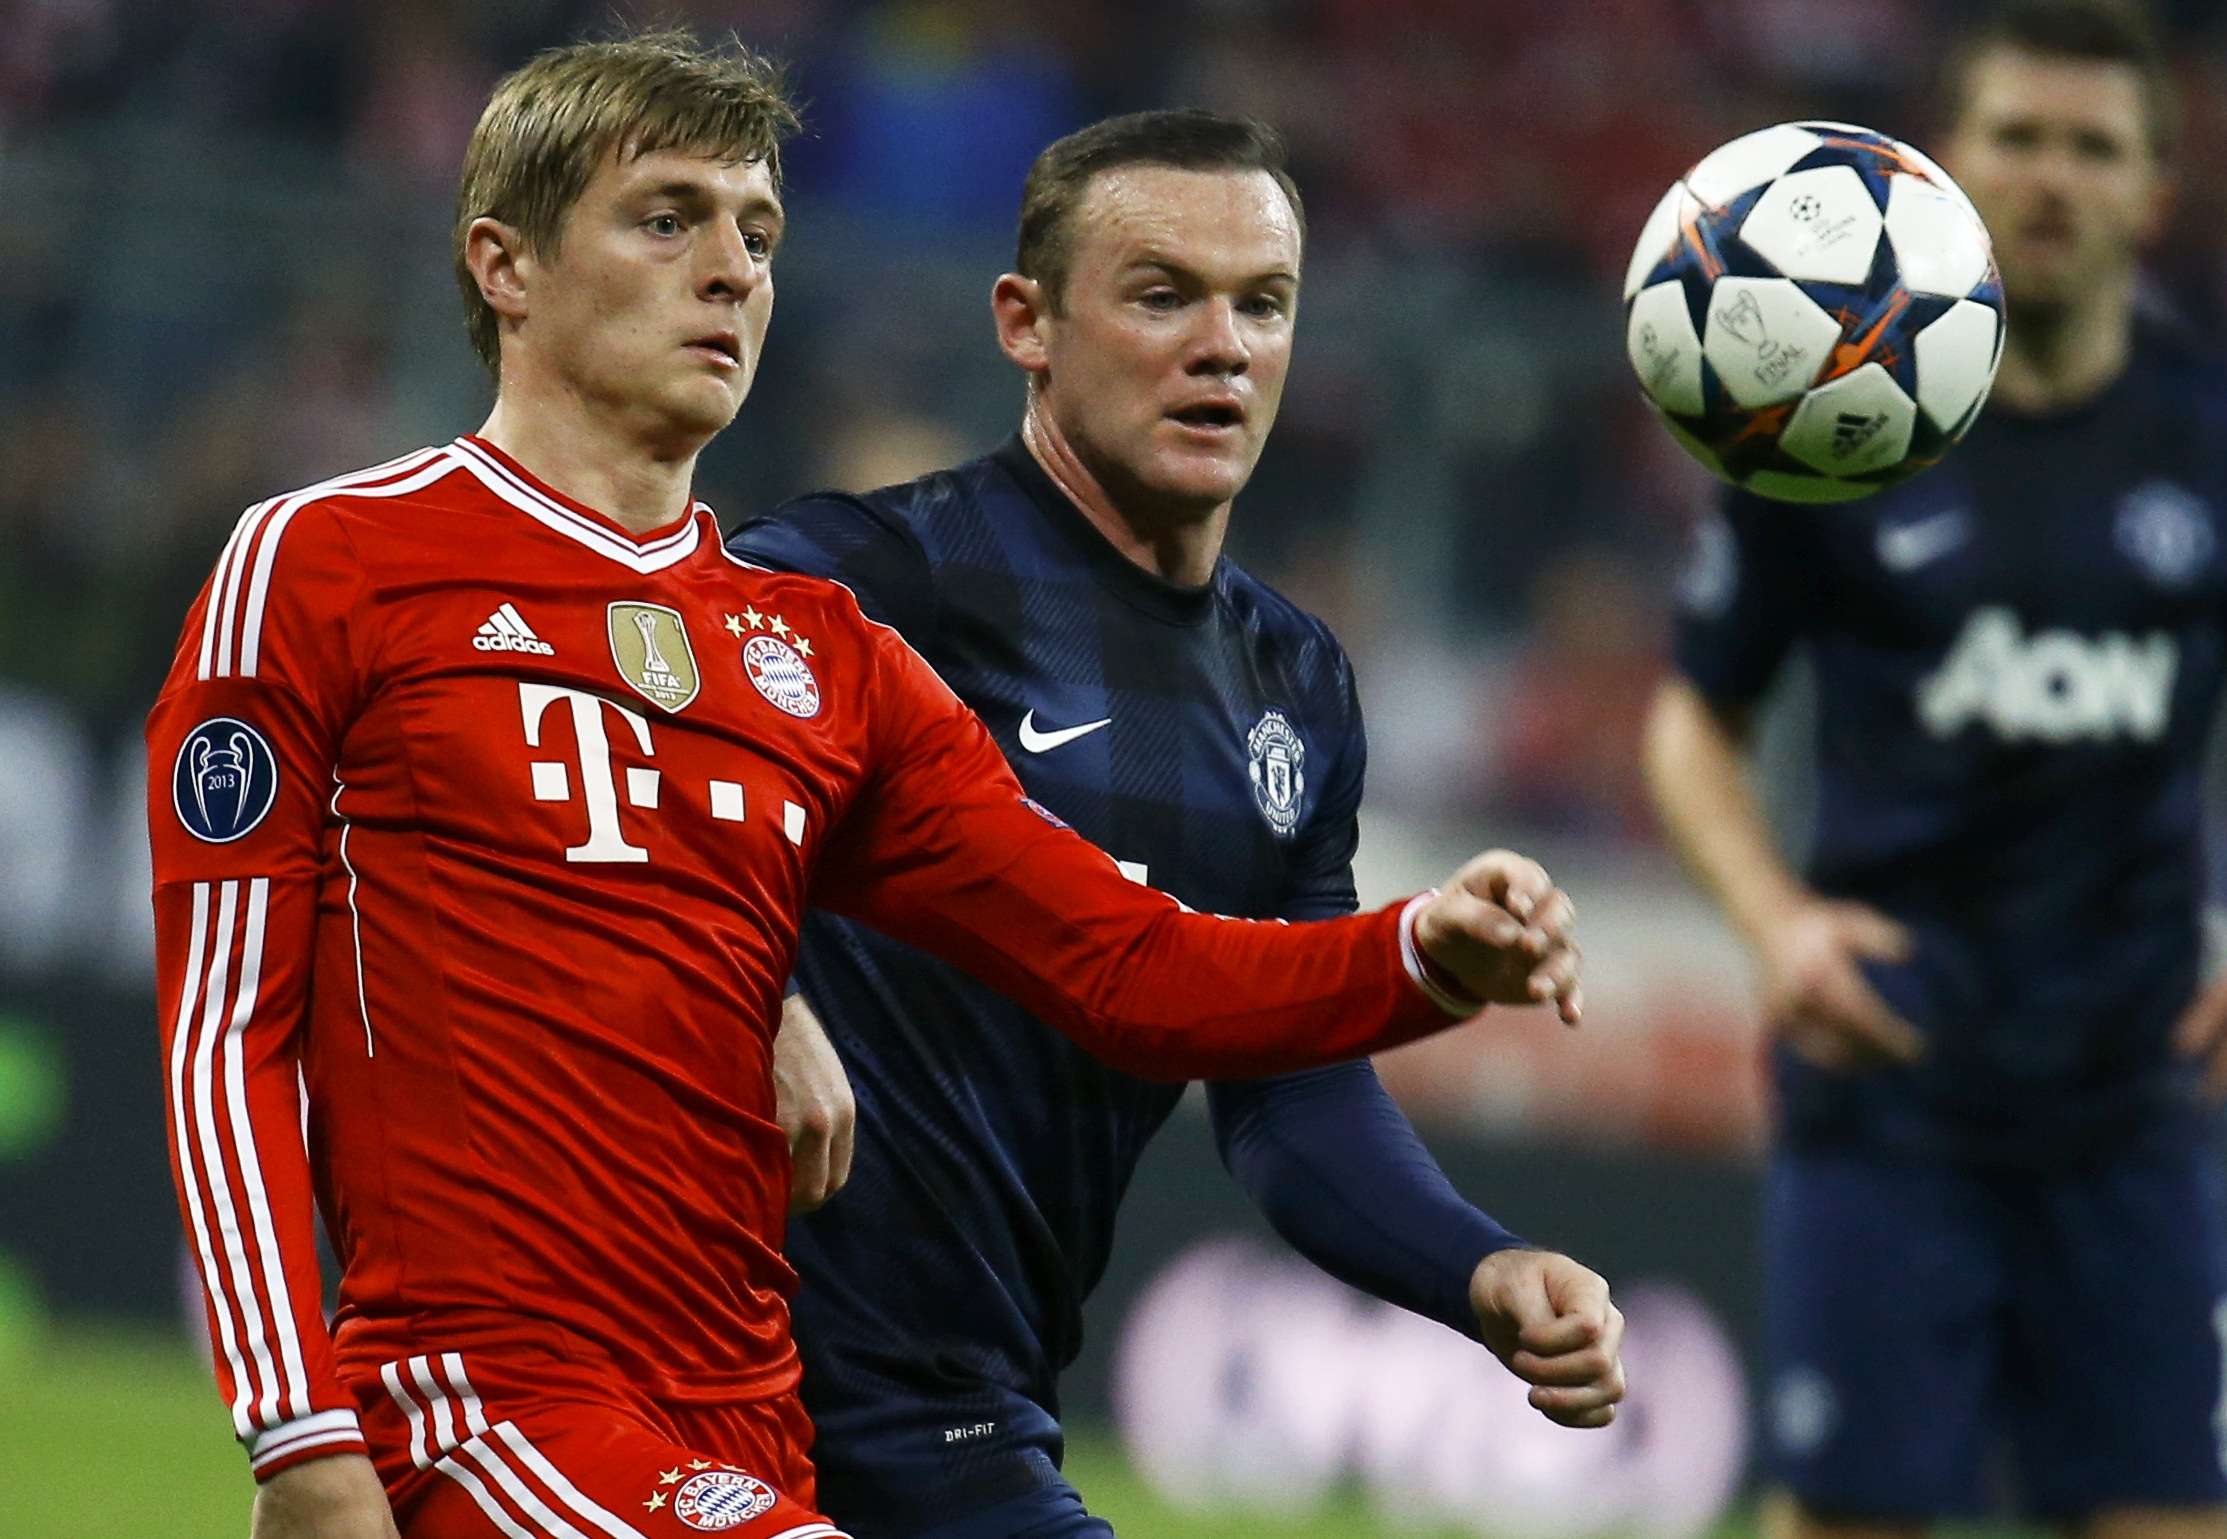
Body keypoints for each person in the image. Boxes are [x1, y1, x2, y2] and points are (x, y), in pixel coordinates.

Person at [149, 31, 1592, 1539]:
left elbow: (1133, 969)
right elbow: (222, 1029)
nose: (730, 271)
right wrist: (300, 1440)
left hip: (756, 1428)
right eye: (668, 219)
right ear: (504, 266)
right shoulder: (332, 564)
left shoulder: (822, 656)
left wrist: (1420, 954)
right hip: (493, 1409)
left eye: (759, 233)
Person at [729, 110, 1627, 1539]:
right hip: (719, 1374)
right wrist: (759, 994)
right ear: (1026, 323)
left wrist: (1478, 1270)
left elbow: (1289, 1088)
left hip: (956, 1403)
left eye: (1262, 304)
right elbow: (587, 772)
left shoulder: (1295, 687)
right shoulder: (863, 581)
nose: (1224, 347)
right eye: (1163, 297)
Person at [1642, 2, 2227, 1534]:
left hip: (2135, 1092)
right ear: (1944, 174)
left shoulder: (2208, 436)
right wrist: (1776, 925)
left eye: (2093, 147)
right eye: (2017, 137)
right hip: (1890, 1080)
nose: (2053, 177)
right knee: (1851, 1520)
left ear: (2154, 192)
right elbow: (1694, 719)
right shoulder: (1830, 427)